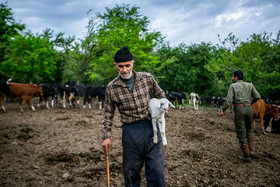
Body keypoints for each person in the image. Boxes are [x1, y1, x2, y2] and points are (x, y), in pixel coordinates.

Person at [101, 46, 166, 186]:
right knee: (131, 172)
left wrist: (162, 108)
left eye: (127, 65)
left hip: (151, 129)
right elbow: (108, 113)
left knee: (156, 171)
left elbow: (161, 95)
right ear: (115, 65)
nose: (124, 69)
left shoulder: (147, 78)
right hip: (130, 132)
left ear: (133, 63)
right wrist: (106, 136)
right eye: (120, 66)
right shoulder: (111, 87)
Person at [221, 70, 260, 162]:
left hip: (239, 109)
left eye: (232, 76)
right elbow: (258, 96)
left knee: (241, 131)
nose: (232, 78)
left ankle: (246, 155)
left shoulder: (233, 86)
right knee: (249, 129)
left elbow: (229, 100)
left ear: (236, 77)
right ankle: (251, 150)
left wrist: (223, 109)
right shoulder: (249, 85)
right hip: (249, 109)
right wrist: (250, 102)